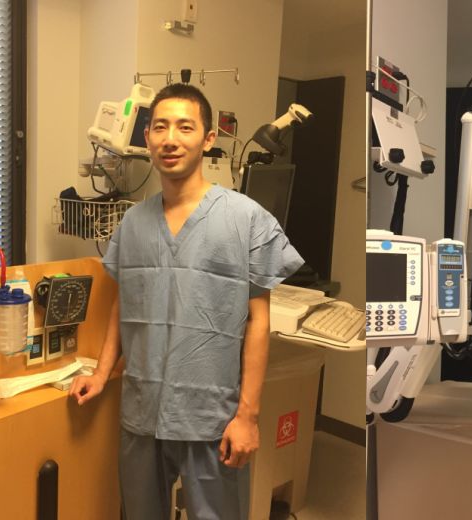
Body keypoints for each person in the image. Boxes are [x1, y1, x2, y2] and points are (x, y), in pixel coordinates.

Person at [69, 83, 304, 519]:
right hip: (143, 410)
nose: (170, 139)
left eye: (185, 127)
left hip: (212, 417)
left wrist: (248, 417)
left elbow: (258, 322)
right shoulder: (133, 223)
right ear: (147, 138)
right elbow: (124, 303)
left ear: (208, 139)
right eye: (160, 127)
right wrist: (101, 373)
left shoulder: (245, 219)